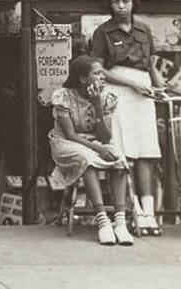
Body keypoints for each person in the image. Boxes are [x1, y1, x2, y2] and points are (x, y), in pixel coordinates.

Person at [89, 0, 165, 236]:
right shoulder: (103, 32)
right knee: (121, 154)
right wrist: (132, 84)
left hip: (143, 93)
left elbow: (151, 64)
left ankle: (148, 214)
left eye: (126, 1)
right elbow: (98, 70)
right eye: (116, 1)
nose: (121, 6)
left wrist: (157, 83)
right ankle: (128, 213)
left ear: (134, 2)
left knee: (146, 153)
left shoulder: (144, 30)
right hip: (119, 91)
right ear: (109, 4)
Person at [49, 55, 132, 246]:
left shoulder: (105, 97)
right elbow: (70, 135)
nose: (102, 77)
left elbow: (105, 137)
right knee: (86, 159)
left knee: (118, 159)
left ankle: (120, 221)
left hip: (96, 142)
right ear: (82, 78)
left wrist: (97, 106)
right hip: (66, 143)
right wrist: (99, 149)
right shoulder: (64, 96)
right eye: (97, 73)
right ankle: (102, 220)